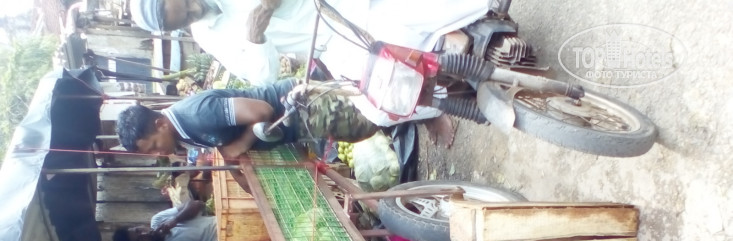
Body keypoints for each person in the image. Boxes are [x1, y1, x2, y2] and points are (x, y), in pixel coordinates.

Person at [128, 0, 489, 86]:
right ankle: (451, 69)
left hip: (334, 4)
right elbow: (263, 77)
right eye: (186, 18)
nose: (196, 10)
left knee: (402, 16)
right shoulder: (206, 36)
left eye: (186, 5)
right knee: (380, 97)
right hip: (330, 45)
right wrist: (255, 37)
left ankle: (467, 32)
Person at [116, 78, 379, 160]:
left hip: (307, 108)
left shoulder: (195, 115)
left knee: (372, 120)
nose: (159, 153)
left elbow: (261, 111)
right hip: (300, 122)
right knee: (369, 124)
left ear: (160, 124)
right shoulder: (182, 130)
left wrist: (240, 145)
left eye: (154, 146)